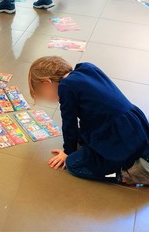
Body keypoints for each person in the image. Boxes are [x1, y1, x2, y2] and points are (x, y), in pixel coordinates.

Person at [28, 56, 149, 185]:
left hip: (119, 139)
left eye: (43, 94)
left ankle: (127, 175)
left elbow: (70, 124)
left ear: (47, 82)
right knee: (82, 136)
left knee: (73, 164)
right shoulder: (86, 68)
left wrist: (68, 151)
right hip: (135, 125)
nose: (49, 99)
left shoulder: (65, 87)